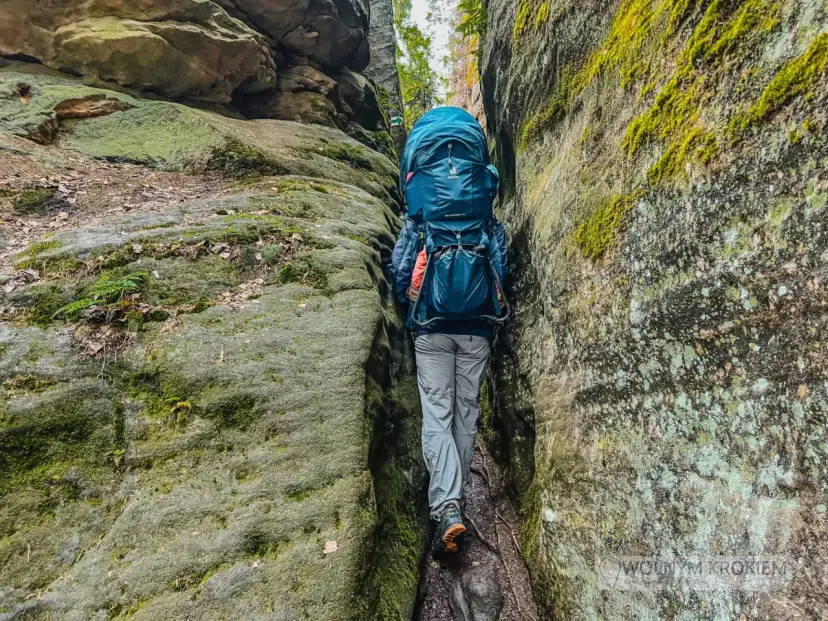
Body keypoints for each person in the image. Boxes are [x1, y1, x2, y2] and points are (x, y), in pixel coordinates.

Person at [391, 106, 509, 556]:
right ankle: (453, 506)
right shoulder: (483, 218)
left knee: (437, 414)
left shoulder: (422, 218)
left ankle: (448, 508)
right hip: (477, 328)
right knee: (466, 414)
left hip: (432, 327)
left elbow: (402, 272)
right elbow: (501, 263)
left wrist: (412, 302)